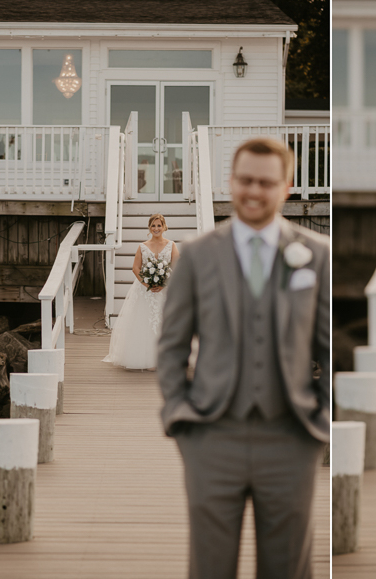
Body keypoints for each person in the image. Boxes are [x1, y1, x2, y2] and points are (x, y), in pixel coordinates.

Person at [157, 138, 329, 579]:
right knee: (210, 568)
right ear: (231, 182)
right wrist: (180, 416)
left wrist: (321, 424)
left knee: (288, 568)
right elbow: (172, 346)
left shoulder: (316, 255)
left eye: (266, 182)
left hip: (291, 437)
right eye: (246, 180)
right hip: (212, 436)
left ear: (286, 187)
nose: (255, 191)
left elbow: (329, 351)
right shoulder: (196, 256)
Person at [103, 213, 180, 370]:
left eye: (159, 225)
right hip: (145, 290)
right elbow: (136, 268)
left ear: (164, 227)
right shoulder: (142, 246)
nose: (156, 228)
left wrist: (165, 284)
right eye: (153, 225)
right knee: (145, 322)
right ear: (149, 228)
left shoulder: (171, 245)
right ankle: (147, 359)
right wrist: (147, 284)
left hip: (165, 291)